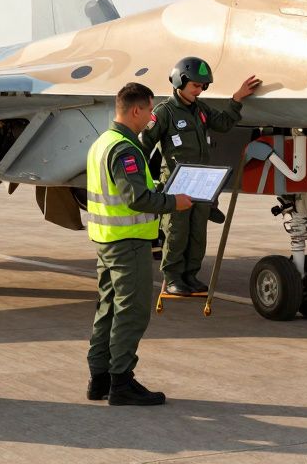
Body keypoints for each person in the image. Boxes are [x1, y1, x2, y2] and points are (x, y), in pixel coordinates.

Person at [85, 81, 193, 406]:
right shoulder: (126, 149)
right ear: (136, 110)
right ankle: (122, 383)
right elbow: (136, 198)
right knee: (132, 312)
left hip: (107, 241)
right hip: (127, 243)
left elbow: (130, 189)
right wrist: (175, 203)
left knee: (107, 309)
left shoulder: (103, 142)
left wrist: (162, 188)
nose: (151, 118)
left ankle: (99, 379)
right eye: (149, 110)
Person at [141, 57, 261, 296]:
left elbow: (224, 124)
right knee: (177, 231)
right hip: (177, 182)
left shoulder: (201, 109)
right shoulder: (164, 112)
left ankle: (190, 276)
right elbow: (144, 144)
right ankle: (173, 277)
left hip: (201, 182)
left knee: (197, 232)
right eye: (196, 85)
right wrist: (147, 182)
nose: (200, 90)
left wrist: (236, 99)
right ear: (180, 81)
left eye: (203, 86)